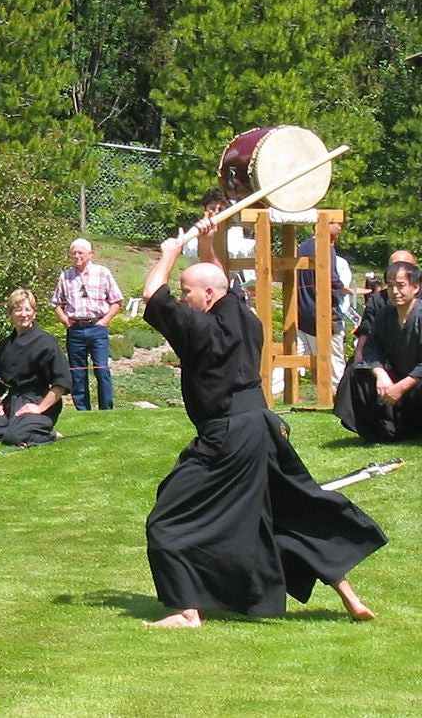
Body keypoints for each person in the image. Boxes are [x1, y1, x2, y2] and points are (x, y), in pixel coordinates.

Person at [139, 221, 386, 628]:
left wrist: (168, 252)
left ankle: (187, 612)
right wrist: (205, 242)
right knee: (286, 509)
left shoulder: (197, 329)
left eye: (187, 293)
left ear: (208, 296)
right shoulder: (243, 316)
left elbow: (152, 294)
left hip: (226, 436)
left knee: (167, 520)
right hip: (263, 429)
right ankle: (348, 593)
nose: (182, 299)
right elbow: (217, 279)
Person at [0, 288, 71, 447]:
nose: (24, 314)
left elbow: (61, 383)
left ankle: (48, 433)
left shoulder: (46, 343)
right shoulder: (5, 345)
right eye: (18, 310)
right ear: (10, 314)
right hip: (11, 403)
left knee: (13, 438)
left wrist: (39, 408)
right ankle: (18, 428)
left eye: (28, 309)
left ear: (34, 313)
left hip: (37, 401)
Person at [342, 260, 422, 441]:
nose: (395, 292)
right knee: (358, 373)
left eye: (401, 286)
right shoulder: (385, 314)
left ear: (415, 287)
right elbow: (372, 350)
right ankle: (381, 432)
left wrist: (402, 386)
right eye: (391, 286)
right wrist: (380, 374)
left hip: (416, 381)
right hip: (396, 376)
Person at [50, 238, 123, 411]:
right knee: (78, 371)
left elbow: (117, 301)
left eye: (80, 252)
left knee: (101, 368)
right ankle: (82, 409)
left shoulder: (102, 273)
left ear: (90, 254)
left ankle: (106, 409)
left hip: (97, 328)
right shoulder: (65, 276)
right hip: (76, 330)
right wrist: (65, 321)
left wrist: (104, 321)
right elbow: (56, 303)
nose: (77, 256)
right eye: (74, 253)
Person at [295, 221, 345, 391]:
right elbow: (331, 279)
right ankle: (341, 398)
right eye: (337, 223)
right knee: (335, 362)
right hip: (324, 313)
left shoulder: (301, 247)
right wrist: (344, 289)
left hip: (302, 312)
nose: (340, 227)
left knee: (297, 359)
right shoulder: (325, 246)